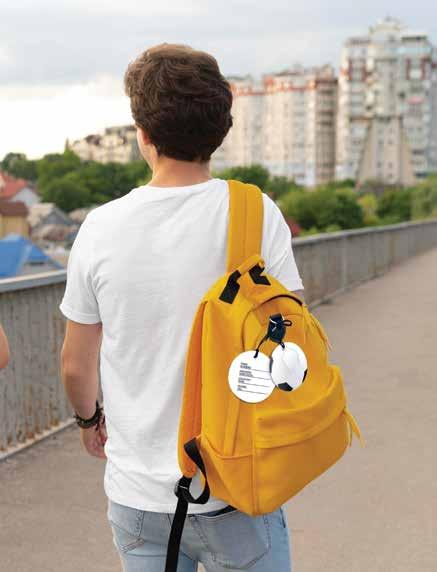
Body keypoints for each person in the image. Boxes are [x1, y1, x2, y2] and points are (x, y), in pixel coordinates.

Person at [60, 43, 305, 572]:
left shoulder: (100, 228)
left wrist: (89, 420)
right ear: (220, 129)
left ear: (143, 134)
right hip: (234, 484)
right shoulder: (254, 211)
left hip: (138, 497)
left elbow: (76, 364)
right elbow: (291, 337)